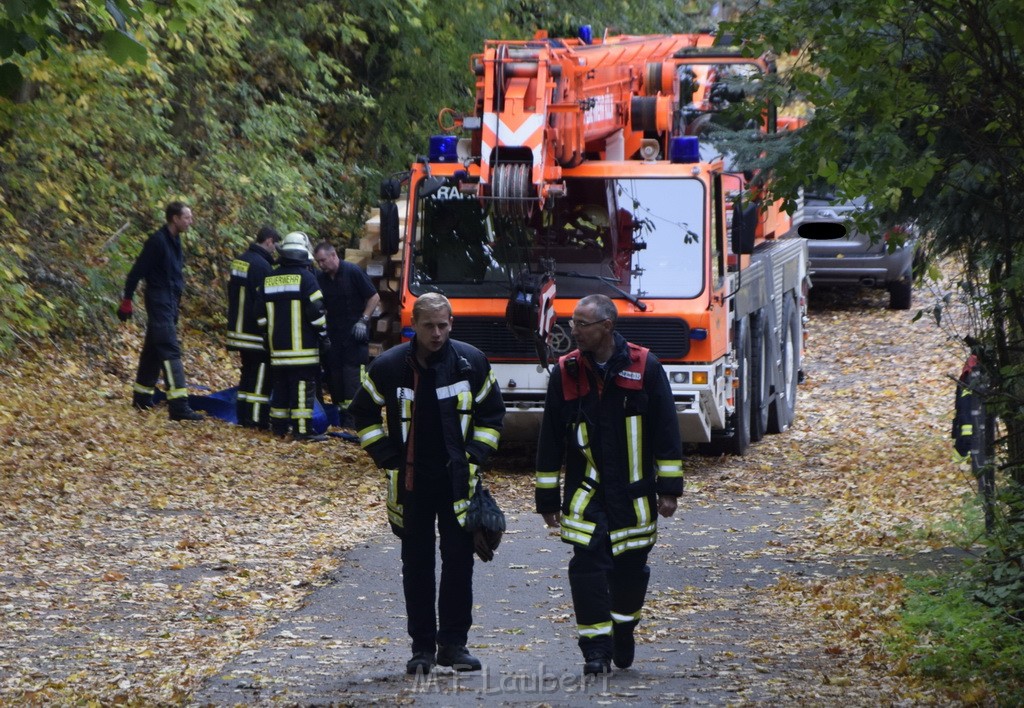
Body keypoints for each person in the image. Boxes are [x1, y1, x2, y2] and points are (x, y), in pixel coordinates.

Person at [348, 292, 505, 675]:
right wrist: (387, 457)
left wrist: (472, 457)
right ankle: (421, 650)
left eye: (443, 325)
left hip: (456, 483)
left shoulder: (471, 362)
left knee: (458, 564)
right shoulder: (388, 366)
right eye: (429, 326)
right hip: (411, 484)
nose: (437, 333)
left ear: (451, 323)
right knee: (416, 565)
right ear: (413, 325)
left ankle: (454, 645)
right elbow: (363, 415)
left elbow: (492, 416)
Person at [534, 294, 683, 675]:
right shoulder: (565, 372)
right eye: (572, 323)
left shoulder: (644, 366)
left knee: (631, 572)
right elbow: (550, 437)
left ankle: (624, 628)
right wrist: (547, 496)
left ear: (607, 327)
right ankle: (595, 651)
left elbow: (666, 429)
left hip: (634, 495)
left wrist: (669, 489)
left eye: (582, 324)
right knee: (586, 569)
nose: (574, 331)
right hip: (586, 496)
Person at [117, 201, 205, 422]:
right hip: (158, 300)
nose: (190, 221)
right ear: (174, 218)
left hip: (171, 300)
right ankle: (179, 406)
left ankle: (142, 396)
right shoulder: (156, 242)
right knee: (169, 348)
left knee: (153, 349)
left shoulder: (175, 241)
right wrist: (127, 299)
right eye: (187, 217)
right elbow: (136, 272)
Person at [256, 231, 330, 442]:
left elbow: (259, 315)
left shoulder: (268, 279)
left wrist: (267, 335)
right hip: (303, 352)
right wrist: (323, 336)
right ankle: (302, 431)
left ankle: (278, 427)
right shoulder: (307, 279)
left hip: (277, 350)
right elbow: (316, 313)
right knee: (302, 390)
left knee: (280, 387)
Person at [312, 242, 380, 427]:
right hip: (334, 336)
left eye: (323, 260)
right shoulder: (321, 278)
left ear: (334, 255)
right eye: (318, 262)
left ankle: (355, 420)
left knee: (352, 379)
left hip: (355, 336)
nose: (321, 265)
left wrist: (364, 320)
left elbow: (374, 296)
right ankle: (340, 419)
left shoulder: (353, 272)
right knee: (335, 379)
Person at [226, 225, 280, 428]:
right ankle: (256, 418)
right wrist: (268, 329)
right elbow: (263, 301)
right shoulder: (262, 266)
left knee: (247, 373)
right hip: (254, 332)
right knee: (260, 375)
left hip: (237, 330)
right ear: (268, 241)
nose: (275, 251)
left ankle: (243, 415)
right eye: (275, 246)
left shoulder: (240, 260)